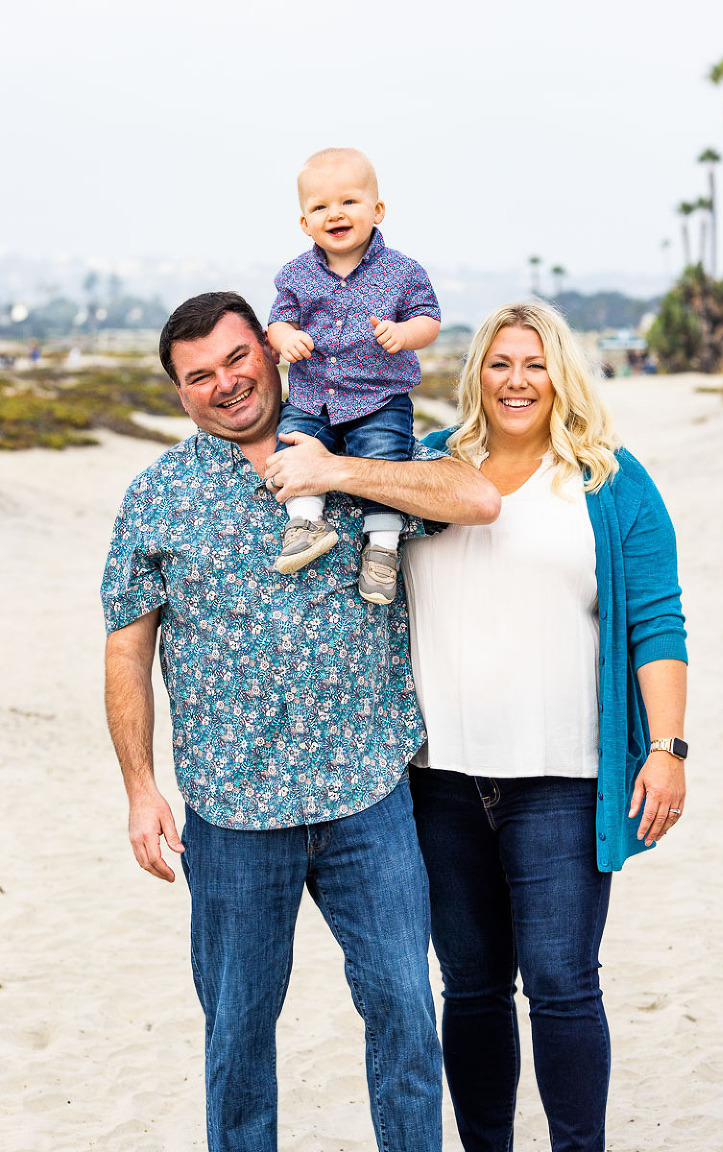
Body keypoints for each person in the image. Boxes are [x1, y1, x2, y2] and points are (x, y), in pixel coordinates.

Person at [101, 291, 500, 1152]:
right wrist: (141, 789)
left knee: (402, 1011)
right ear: (179, 391)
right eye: (198, 375)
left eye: (238, 359)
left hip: (368, 794)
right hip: (233, 811)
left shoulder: (364, 446)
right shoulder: (159, 495)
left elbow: (473, 495)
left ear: (275, 353)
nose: (225, 384)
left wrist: (337, 472)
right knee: (238, 1033)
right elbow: (127, 649)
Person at [401, 301, 688, 1152]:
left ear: (561, 373)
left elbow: (658, 622)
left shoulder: (608, 481)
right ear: (476, 374)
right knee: (472, 987)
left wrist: (667, 749)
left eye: (534, 363)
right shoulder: (428, 467)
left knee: (563, 984)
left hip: (563, 779)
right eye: (499, 363)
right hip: (438, 777)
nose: (517, 381)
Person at [267, 147, 441, 604]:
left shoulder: (402, 270)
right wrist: (284, 339)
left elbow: (429, 320)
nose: (335, 214)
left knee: (384, 460)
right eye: (320, 206)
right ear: (304, 222)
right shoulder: (296, 275)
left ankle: (382, 551)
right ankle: (307, 521)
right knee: (292, 440)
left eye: (348, 201)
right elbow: (278, 321)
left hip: (378, 396)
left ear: (376, 210)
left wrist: (405, 333)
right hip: (314, 393)